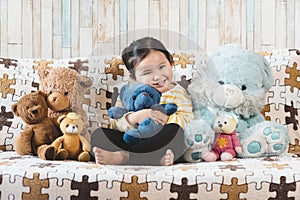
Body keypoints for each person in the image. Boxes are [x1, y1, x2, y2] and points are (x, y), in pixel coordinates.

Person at [91, 37, 194, 166]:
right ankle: (152, 159)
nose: (157, 76)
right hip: (133, 140)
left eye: (162, 67)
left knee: (175, 131)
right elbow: (115, 123)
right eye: (147, 72)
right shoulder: (128, 93)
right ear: (134, 78)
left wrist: (166, 119)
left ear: (171, 63)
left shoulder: (177, 92)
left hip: (161, 143)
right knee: (99, 135)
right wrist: (133, 118)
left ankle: (125, 157)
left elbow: (188, 120)